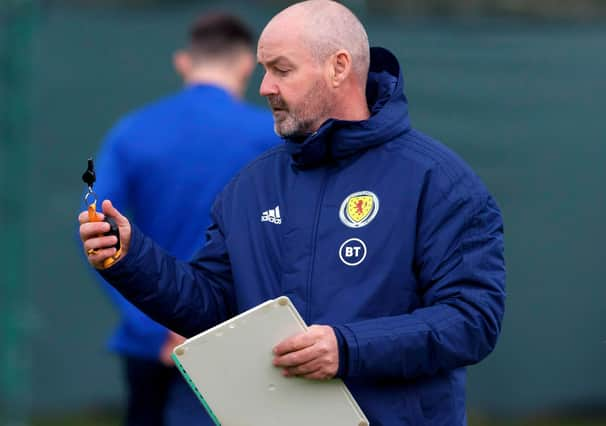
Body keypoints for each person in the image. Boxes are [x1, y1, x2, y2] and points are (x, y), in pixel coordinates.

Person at [79, 1, 506, 424]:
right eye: (263, 69)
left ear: (339, 68)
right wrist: (132, 259)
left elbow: (473, 318)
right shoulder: (250, 186)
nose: (264, 86)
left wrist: (348, 347)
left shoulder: (438, 181)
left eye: (281, 70)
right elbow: (216, 309)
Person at [87, 12, 280, 426]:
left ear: (183, 62)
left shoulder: (133, 131)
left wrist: (153, 327)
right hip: (239, 345)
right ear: (249, 65)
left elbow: (94, 229)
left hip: (152, 344)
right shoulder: (272, 136)